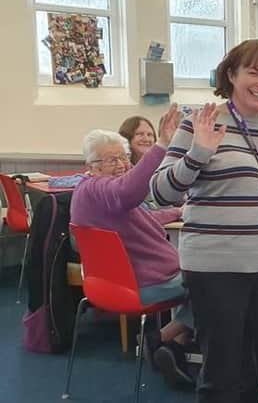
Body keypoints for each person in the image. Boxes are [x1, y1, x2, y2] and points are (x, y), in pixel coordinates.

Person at [150, 39, 258, 403]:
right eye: (253, 72)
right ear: (231, 74)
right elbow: (161, 194)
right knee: (224, 371)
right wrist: (199, 153)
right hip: (216, 268)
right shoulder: (201, 123)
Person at [70, 105, 194, 386]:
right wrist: (162, 144)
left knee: (204, 280)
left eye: (124, 157)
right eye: (112, 159)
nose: (122, 164)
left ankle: (172, 348)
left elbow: (142, 215)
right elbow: (128, 191)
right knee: (215, 282)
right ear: (92, 166)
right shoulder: (100, 189)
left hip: (107, 284)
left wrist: (177, 212)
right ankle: (162, 339)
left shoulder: (91, 194)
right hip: (142, 283)